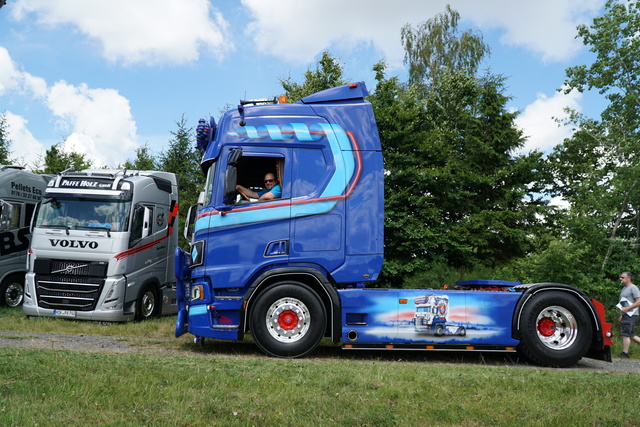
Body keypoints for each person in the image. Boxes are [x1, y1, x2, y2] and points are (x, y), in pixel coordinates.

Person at [617, 272, 640, 358]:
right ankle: (625, 353)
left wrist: (627, 309)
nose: (621, 279)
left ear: (628, 279)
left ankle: (625, 353)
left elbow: (638, 302)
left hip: (632, 314)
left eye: (622, 277)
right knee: (631, 335)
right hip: (626, 314)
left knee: (625, 334)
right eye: (620, 277)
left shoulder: (633, 288)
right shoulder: (624, 288)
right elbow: (623, 303)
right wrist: (621, 314)